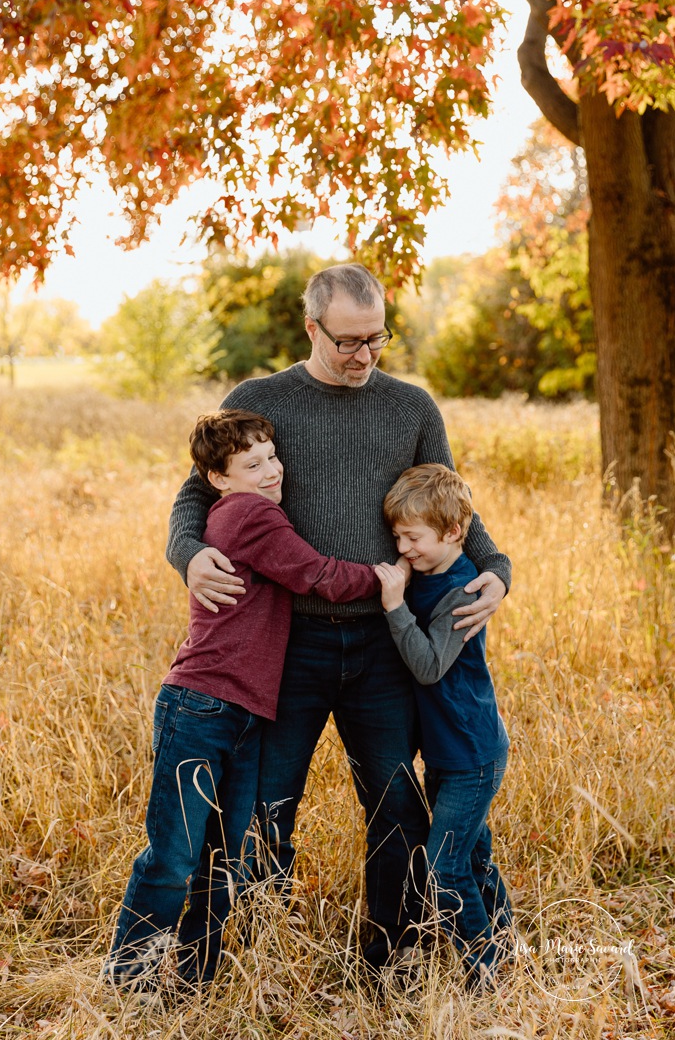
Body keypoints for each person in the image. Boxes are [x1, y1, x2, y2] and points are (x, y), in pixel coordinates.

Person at [166, 263, 511, 966]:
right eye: (347, 340)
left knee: (393, 805)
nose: (363, 355)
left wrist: (498, 571)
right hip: (287, 644)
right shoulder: (261, 399)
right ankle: (264, 952)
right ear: (311, 327)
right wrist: (189, 554)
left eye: (375, 339)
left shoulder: (410, 408)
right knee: (268, 805)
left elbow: (451, 502)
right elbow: (196, 496)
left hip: (385, 643)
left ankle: (389, 955)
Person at [108, 410, 381, 990]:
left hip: (242, 712)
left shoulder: (242, 508)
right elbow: (317, 575)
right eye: (251, 464)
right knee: (175, 855)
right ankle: (127, 977)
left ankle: (193, 974)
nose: (270, 470)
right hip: (202, 706)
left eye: (272, 456)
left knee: (222, 856)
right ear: (218, 478)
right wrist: (390, 576)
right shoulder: (251, 514)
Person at [374, 463, 513, 987]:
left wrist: (393, 605)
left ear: (454, 532)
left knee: (443, 867)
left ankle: (486, 974)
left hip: (470, 754)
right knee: (472, 856)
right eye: (397, 537)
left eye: (413, 538)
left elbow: (430, 665)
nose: (403, 548)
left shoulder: (463, 590)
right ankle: (505, 947)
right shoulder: (428, 575)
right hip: (444, 749)